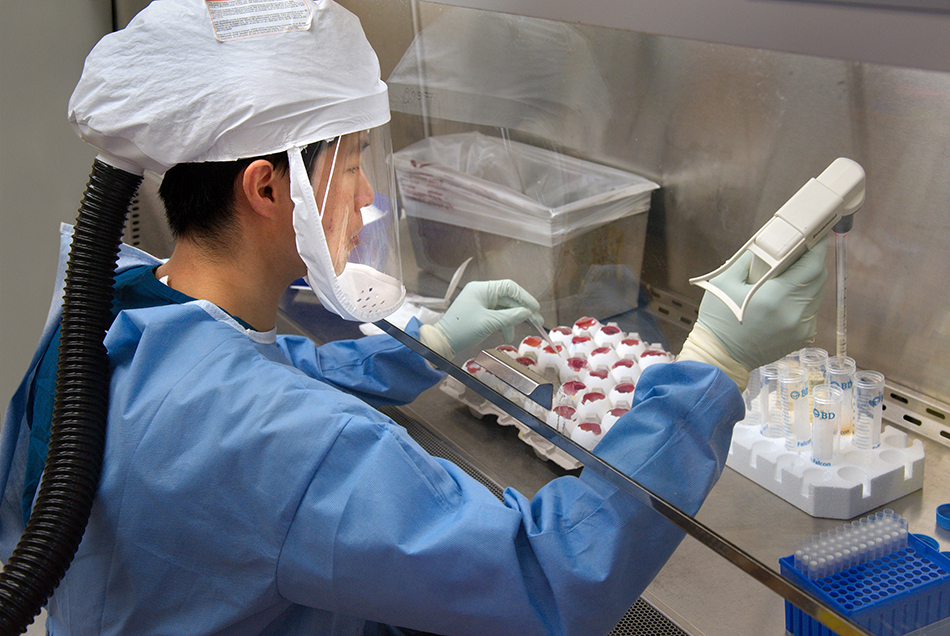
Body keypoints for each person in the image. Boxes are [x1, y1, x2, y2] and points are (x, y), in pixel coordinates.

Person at [0, 1, 827, 634]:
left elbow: (244, 383)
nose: (364, 201)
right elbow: (548, 574)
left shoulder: (108, 310)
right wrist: (715, 363)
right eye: (352, 164)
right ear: (266, 188)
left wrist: (423, 348)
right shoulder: (286, 441)